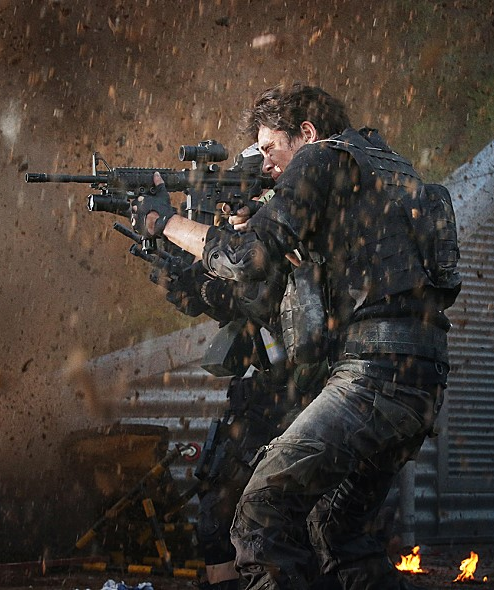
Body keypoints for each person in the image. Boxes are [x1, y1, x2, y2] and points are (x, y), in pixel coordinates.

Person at [133, 83, 460, 590]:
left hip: (371, 375)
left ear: (306, 132)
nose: (265, 164)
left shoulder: (320, 156)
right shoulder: (387, 165)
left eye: (270, 148)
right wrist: (260, 218)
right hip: (422, 380)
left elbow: (245, 260)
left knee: (261, 510)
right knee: (339, 534)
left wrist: (164, 222)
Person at [154, 147, 332, 590]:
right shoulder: (262, 235)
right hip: (270, 394)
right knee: (219, 520)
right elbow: (245, 310)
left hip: (303, 398)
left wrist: (205, 277)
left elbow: (265, 294)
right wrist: (189, 282)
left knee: (280, 524)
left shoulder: (299, 229)